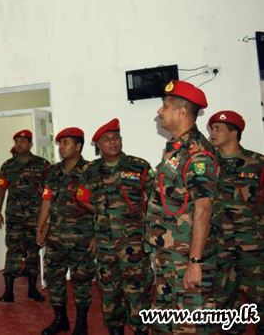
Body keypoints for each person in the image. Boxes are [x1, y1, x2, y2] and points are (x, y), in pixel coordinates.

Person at [144, 80, 218, 335]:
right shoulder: (176, 148)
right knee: (163, 323)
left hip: (185, 257)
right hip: (168, 256)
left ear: (181, 112)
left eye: (165, 106)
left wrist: (195, 262)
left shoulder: (197, 154)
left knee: (190, 325)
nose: (159, 111)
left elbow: (203, 208)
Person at [78, 118, 153, 335]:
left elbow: (155, 199)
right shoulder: (90, 170)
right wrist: (101, 214)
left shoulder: (140, 166)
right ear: (98, 145)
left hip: (135, 244)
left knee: (138, 292)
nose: (113, 142)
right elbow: (82, 198)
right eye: (107, 139)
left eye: (116, 137)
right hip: (105, 246)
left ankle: (141, 329)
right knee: (110, 293)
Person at [209, 110, 264, 335]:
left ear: (234, 133)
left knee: (259, 298)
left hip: (253, 246)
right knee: (223, 302)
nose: (213, 133)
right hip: (219, 246)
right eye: (212, 129)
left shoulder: (257, 163)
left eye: (218, 129)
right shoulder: (207, 165)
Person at [37, 127, 94, 335]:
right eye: (60, 143)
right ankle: (60, 319)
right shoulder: (54, 171)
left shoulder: (90, 171)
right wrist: (40, 227)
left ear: (78, 146)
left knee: (82, 282)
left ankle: (81, 323)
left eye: (66, 143)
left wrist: (97, 235)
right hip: (55, 237)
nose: (61, 147)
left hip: (82, 238)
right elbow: (46, 199)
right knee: (54, 279)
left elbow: (100, 206)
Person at [0, 129, 50, 303]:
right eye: (17, 141)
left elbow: (49, 192)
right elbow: (1, 189)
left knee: (33, 252)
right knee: (13, 251)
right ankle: (8, 292)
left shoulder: (42, 164)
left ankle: (32, 290)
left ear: (30, 144)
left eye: (23, 141)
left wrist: (47, 218)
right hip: (14, 217)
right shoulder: (7, 165)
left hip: (35, 217)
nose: (19, 144)